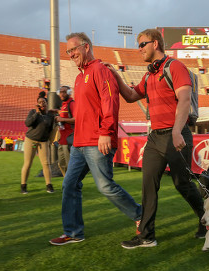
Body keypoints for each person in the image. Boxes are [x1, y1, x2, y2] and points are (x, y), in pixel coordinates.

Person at [106, 28, 206, 249]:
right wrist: (116, 76)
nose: (139, 49)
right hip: (155, 138)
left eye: (142, 44)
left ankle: (206, 219)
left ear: (155, 44)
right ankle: (146, 236)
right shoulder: (149, 74)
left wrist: (178, 130)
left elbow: (185, 99)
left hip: (175, 134)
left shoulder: (175, 67)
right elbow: (132, 96)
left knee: (183, 185)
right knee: (148, 186)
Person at [49, 32, 142, 246]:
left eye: (73, 49)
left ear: (86, 47)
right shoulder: (80, 77)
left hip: (98, 140)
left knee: (105, 186)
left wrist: (105, 132)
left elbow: (110, 103)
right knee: (69, 184)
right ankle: (73, 232)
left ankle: (140, 215)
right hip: (79, 143)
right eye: (68, 51)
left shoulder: (101, 70)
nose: (70, 54)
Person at [20, 92, 55, 194]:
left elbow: (51, 129)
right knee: (28, 163)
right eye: (39, 102)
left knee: (46, 163)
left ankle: (49, 185)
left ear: (47, 103)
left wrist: (50, 141)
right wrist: (36, 113)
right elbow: (28, 123)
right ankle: (23, 185)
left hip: (43, 142)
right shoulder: (33, 112)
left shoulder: (50, 115)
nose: (42, 104)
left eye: (43, 102)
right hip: (31, 140)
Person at [55, 85, 75, 176]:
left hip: (69, 139)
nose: (62, 94)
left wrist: (62, 120)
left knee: (69, 165)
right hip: (61, 139)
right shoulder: (64, 105)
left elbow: (76, 119)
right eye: (61, 92)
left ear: (68, 93)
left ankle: (73, 186)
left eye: (64, 92)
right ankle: (68, 183)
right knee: (61, 164)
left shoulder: (72, 103)